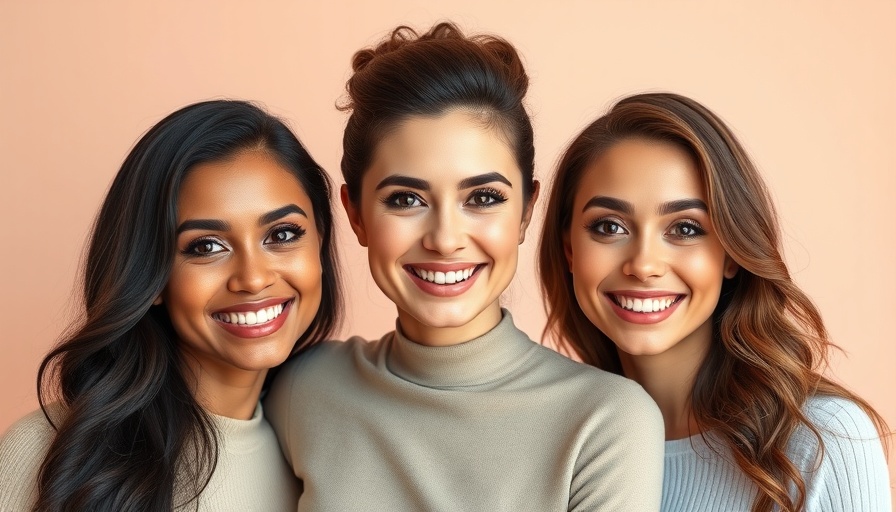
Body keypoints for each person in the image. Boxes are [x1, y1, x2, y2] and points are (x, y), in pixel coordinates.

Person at [265, 22, 664, 512]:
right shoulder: (302, 389)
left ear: (525, 211)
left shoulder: (604, 422)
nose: (446, 239)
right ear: (355, 214)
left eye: (483, 198)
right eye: (406, 199)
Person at [539, 91, 891, 512]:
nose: (644, 264)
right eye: (610, 226)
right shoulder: (553, 444)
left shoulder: (823, 440)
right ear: (569, 250)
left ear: (730, 253)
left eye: (685, 228)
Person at [0, 100, 342, 511]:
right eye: (206, 246)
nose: (253, 278)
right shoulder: (50, 453)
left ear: (319, 242)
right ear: (152, 274)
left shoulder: (323, 456)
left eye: (283, 235)